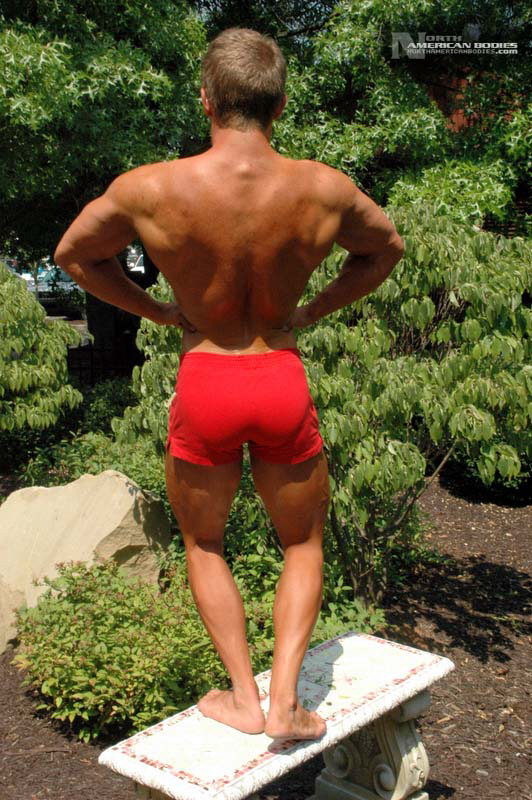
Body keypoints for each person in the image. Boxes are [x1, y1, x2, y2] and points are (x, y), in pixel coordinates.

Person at [54, 27, 404, 740]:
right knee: (302, 544)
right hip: (278, 375)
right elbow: (384, 249)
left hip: (206, 377)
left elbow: (74, 255)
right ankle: (287, 706)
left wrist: (157, 310)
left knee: (205, 544)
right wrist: (311, 310)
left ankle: (245, 699)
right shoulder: (324, 188)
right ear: (280, 105)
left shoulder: (150, 187)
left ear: (206, 99)